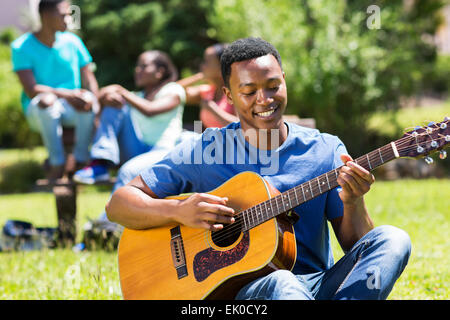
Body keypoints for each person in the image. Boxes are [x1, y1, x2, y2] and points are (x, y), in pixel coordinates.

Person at [105, 37, 411, 300]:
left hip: (317, 284)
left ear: (284, 81)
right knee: (281, 281)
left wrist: (353, 201)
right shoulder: (205, 150)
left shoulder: (325, 150)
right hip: (248, 296)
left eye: (273, 86)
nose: (264, 100)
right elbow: (119, 204)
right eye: (249, 91)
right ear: (228, 95)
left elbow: (356, 249)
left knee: (393, 239)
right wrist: (179, 210)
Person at [74, 50, 187, 205]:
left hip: (162, 152)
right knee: (115, 105)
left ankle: (109, 220)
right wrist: (102, 98)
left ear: (160, 72)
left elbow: (150, 110)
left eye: (143, 66)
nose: (137, 70)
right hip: (135, 149)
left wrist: (120, 91)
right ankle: (100, 163)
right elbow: (102, 117)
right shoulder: (136, 96)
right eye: (137, 66)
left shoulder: (173, 90)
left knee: (128, 170)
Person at [11, 0, 98, 180]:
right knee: (47, 100)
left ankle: (81, 159)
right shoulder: (21, 46)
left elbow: (89, 80)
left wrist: (94, 102)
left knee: (87, 100)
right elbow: (32, 89)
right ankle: (56, 161)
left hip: (72, 109)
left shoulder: (73, 42)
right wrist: (67, 94)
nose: (68, 19)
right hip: (40, 111)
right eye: (63, 14)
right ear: (45, 15)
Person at [178, 43, 238, 128]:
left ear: (221, 67)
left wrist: (212, 108)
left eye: (206, 62)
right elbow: (173, 91)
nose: (202, 65)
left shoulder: (235, 94)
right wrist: (199, 76)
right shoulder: (208, 91)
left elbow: (242, 127)